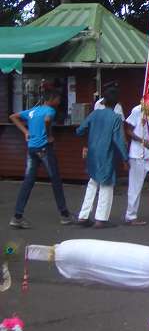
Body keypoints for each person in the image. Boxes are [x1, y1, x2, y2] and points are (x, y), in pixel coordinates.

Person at [9, 89, 73, 229]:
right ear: (51, 99)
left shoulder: (33, 111)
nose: (59, 101)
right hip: (45, 149)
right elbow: (47, 120)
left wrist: (26, 132)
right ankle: (64, 214)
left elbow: (13, 116)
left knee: (28, 181)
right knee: (55, 180)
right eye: (58, 98)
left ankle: (17, 216)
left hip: (32, 149)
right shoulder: (50, 111)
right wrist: (48, 133)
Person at [76, 86, 129, 228]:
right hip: (106, 154)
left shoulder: (94, 114)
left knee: (92, 182)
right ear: (116, 103)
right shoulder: (116, 118)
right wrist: (125, 158)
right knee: (106, 185)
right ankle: (101, 218)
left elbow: (80, 130)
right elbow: (118, 140)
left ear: (103, 101)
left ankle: (83, 215)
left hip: (92, 153)